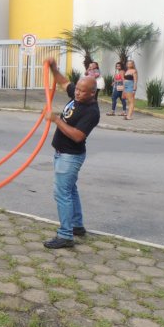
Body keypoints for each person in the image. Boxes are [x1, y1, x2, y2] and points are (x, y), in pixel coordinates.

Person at [42, 57, 101, 249]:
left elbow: (77, 136)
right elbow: (64, 82)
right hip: (62, 153)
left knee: (62, 194)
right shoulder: (77, 95)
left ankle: (66, 235)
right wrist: (53, 68)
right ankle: (77, 226)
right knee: (70, 191)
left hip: (70, 156)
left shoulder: (91, 111)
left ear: (92, 93)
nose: (76, 92)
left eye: (82, 91)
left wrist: (57, 120)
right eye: (77, 89)